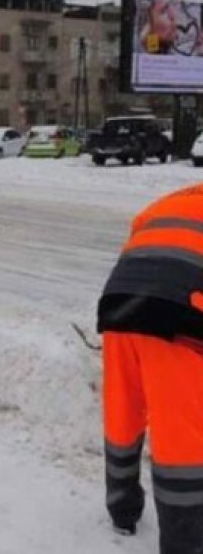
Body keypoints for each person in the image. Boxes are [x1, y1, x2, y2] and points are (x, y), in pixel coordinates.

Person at [98, 182, 203, 553]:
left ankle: (122, 510)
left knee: (122, 414)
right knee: (182, 440)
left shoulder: (173, 200)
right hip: (175, 318)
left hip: (118, 305)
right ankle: (185, 543)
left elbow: (140, 237)